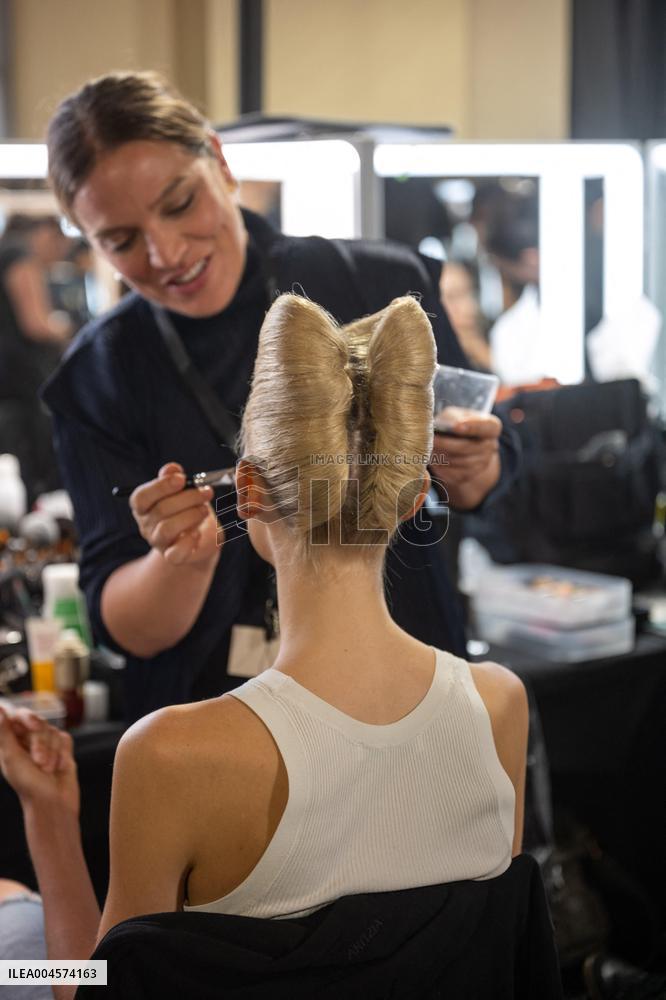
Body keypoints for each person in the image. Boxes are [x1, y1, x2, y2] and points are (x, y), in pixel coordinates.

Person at [0, 293, 529, 999]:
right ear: (412, 498)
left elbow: (90, 988)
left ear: (246, 490)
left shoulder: (173, 754)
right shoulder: (499, 705)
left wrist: (51, 826)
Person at [41, 71, 519, 722]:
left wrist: (475, 466)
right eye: (121, 241)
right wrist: (178, 561)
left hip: (402, 685)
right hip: (215, 713)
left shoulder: (377, 285)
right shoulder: (99, 377)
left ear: (220, 162)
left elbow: (485, 474)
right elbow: (123, 624)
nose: (167, 252)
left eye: (179, 204)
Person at [0, 214, 72, 502]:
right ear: (46, 232)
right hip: (21, 375)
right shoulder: (20, 255)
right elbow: (37, 323)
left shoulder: (6, 250)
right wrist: (73, 333)